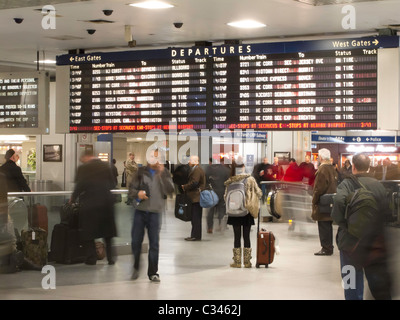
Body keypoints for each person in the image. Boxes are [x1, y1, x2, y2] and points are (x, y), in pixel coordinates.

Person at [331, 153, 392, 300]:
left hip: (350, 243)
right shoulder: (379, 186)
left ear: (354, 167)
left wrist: (344, 224)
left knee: (351, 283)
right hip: (374, 243)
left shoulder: (346, 184)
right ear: (369, 167)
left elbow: (338, 202)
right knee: (378, 284)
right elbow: (388, 212)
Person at [129, 149, 174, 282]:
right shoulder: (140, 172)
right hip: (140, 211)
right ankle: (136, 266)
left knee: (154, 243)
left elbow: (170, 190)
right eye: (152, 157)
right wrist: (138, 194)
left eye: (157, 157)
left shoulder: (165, 173)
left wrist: (162, 176)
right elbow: (131, 189)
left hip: (155, 212)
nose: (155, 160)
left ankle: (153, 272)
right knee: (136, 242)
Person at [71, 149, 117, 265]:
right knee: (107, 234)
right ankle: (110, 258)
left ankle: (91, 258)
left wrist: (72, 198)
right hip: (107, 203)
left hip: (90, 204)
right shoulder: (106, 166)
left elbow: (79, 186)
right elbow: (113, 183)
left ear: (86, 157)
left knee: (89, 233)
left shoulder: (83, 168)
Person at [224, 163, 262, 268]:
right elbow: (259, 193)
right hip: (246, 211)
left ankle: (237, 262)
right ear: (243, 167)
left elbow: (225, 196)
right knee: (246, 236)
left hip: (234, 212)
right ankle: (247, 262)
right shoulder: (250, 179)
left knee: (236, 237)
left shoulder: (230, 180)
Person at [312, 148, 338, 256]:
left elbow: (319, 188)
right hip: (331, 200)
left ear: (321, 158)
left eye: (318, 156)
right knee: (328, 225)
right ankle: (329, 247)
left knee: (323, 225)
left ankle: (326, 248)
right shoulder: (332, 168)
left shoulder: (322, 170)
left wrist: (314, 200)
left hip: (323, 202)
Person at [181, 155, 206, 241]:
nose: (189, 162)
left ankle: (195, 236)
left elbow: (194, 183)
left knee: (195, 218)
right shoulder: (197, 169)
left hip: (196, 197)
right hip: (196, 197)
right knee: (196, 217)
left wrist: (185, 186)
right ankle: (195, 235)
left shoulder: (197, 170)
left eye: (190, 160)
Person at [205, 157, 230, 233]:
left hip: (211, 193)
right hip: (222, 192)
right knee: (221, 210)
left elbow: (205, 181)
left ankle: (210, 228)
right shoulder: (225, 170)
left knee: (210, 211)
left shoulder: (208, 169)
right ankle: (220, 225)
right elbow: (228, 182)